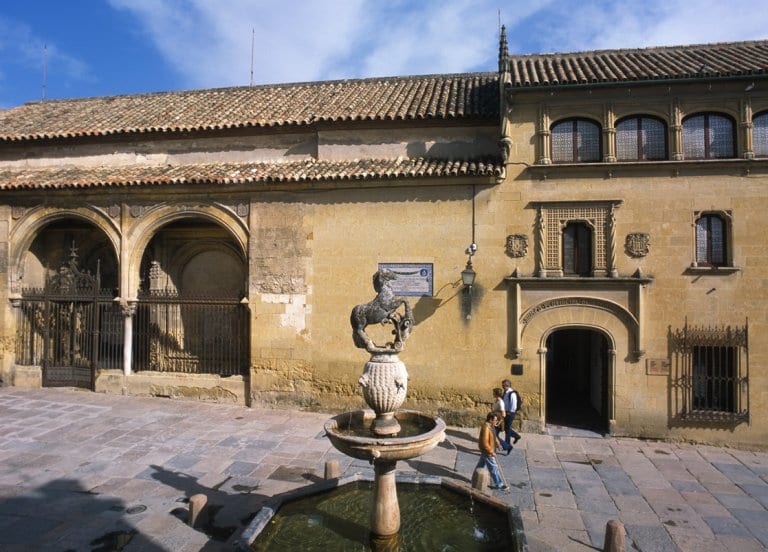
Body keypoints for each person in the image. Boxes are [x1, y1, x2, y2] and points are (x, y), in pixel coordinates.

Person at [476, 412, 508, 490]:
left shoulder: (491, 426)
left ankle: (475, 477)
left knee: (481, 465)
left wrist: (499, 444)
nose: (496, 422)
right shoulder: (485, 428)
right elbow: (484, 443)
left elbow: (494, 436)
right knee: (494, 467)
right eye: (495, 420)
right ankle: (499, 484)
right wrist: (491, 452)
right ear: (490, 420)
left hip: (489, 450)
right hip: (488, 451)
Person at [501, 379, 522, 449]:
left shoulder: (512, 393)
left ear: (507, 385)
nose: (502, 386)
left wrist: (510, 412)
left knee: (507, 429)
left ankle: (507, 445)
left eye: (503, 385)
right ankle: (516, 436)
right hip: (506, 412)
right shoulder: (505, 392)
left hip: (510, 413)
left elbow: (514, 405)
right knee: (506, 428)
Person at [492, 387, 512, 455]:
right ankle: (493, 450)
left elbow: (503, 414)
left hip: (498, 422)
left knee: (494, 436)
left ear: (496, 394)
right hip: (494, 421)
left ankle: (507, 447)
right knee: (494, 436)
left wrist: (497, 423)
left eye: (493, 393)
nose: (492, 394)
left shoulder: (501, 402)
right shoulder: (496, 400)